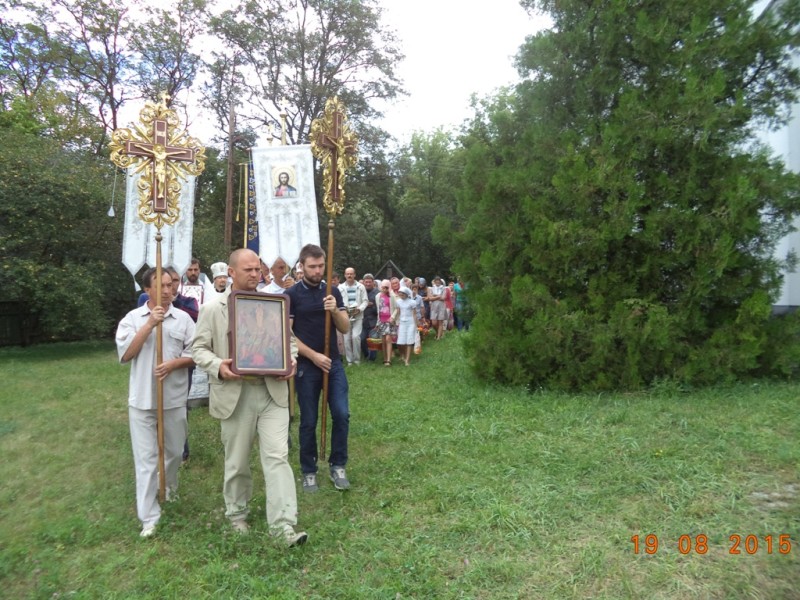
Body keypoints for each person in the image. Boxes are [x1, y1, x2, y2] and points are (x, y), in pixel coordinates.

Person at [192, 248, 307, 547]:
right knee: (238, 460)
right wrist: (220, 366)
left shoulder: (273, 304)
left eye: (258, 269)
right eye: (249, 270)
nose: (256, 275)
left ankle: (283, 527)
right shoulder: (212, 308)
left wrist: (290, 362)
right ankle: (237, 514)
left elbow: (289, 343)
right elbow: (198, 350)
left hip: (272, 393)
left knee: (277, 457)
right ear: (231, 272)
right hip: (235, 394)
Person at [116, 267, 195, 538]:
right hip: (142, 400)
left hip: (173, 398)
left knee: (173, 452)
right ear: (147, 290)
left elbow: (195, 353)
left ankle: (168, 489)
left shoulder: (183, 319)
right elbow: (125, 354)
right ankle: (149, 516)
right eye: (160, 286)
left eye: (169, 285)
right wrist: (150, 324)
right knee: (147, 459)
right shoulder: (132, 319)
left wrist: (175, 363)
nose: (167, 290)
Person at [286, 244, 352, 493]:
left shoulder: (333, 291)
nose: (317, 271)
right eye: (312, 266)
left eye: (321, 266)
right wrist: (313, 356)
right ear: (301, 266)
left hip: (333, 364)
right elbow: (288, 334)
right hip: (306, 366)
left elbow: (344, 328)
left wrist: (334, 309)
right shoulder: (292, 295)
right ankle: (309, 470)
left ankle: (338, 465)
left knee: (342, 413)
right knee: (309, 420)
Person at [338, 267, 368, 367]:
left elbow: (365, 301)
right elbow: (339, 302)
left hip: (358, 315)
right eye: (347, 274)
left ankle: (357, 359)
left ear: (354, 275)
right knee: (346, 338)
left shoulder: (361, 286)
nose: (349, 275)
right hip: (345, 315)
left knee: (355, 337)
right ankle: (349, 360)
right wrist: (343, 309)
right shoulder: (340, 287)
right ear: (345, 275)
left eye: (351, 274)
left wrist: (359, 309)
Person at [375, 279, 397, 366]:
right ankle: (385, 358)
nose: (384, 289)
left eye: (386, 287)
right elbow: (378, 310)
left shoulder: (392, 296)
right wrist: (377, 322)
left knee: (388, 339)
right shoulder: (377, 296)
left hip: (389, 320)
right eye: (383, 287)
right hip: (381, 320)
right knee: (383, 340)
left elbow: (396, 308)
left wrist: (393, 317)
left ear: (389, 287)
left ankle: (389, 360)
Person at [395, 286, 417, 366]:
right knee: (400, 342)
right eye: (400, 293)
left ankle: (407, 360)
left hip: (410, 323)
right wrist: (394, 321)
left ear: (407, 294)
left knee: (409, 341)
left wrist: (416, 324)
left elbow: (414, 314)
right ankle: (402, 355)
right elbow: (398, 312)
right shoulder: (398, 302)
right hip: (402, 323)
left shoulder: (412, 302)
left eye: (402, 293)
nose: (401, 294)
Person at [360, 273, 379, 362]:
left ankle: (372, 359)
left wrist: (372, 306)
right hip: (362, 321)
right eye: (366, 282)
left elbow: (380, 309)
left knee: (373, 340)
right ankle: (366, 355)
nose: (368, 284)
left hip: (373, 321)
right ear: (363, 282)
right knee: (362, 339)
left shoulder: (378, 293)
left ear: (373, 282)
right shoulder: (360, 292)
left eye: (369, 282)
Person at [428, 275, 447, 340]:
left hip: (441, 306)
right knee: (434, 323)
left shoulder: (444, 288)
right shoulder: (432, 288)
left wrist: (435, 296)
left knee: (440, 322)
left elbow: (443, 298)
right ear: (435, 282)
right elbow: (430, 298)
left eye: (439, 281)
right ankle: (438, 332)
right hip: (434, 307)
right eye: (436, 281)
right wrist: (438, 296)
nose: (437, 282)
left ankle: (438, 337)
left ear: (440, 282)